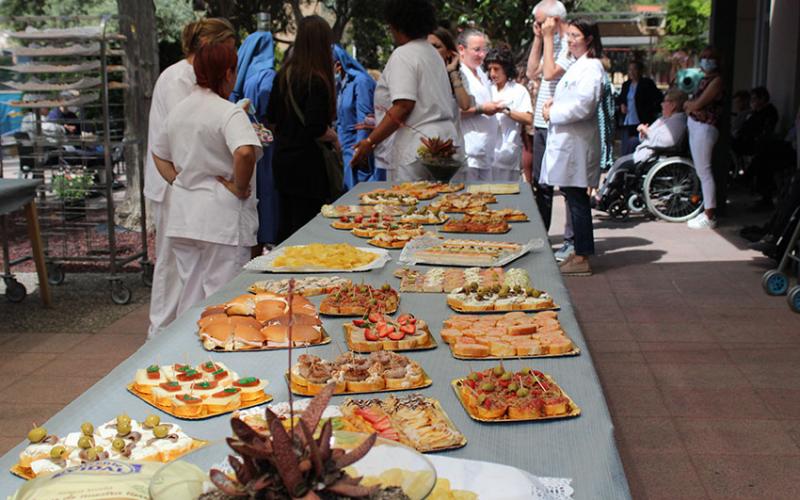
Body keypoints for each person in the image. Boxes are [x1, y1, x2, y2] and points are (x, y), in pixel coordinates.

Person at [151, 42, 262, 316]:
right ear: (228, 73)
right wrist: (238, 186)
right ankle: (219, 354)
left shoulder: (180, 110)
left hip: (185, 216)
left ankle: (187, 354)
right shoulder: (228, 111)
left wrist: (178, 181)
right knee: (224, 300)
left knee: (190, 297)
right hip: (221, 219)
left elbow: (158, 153)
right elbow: (245, 152)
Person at [144, 18, 235, 339]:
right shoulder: (176, 79)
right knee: (171, 273)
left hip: (190, 185)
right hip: (175, 184)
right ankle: (158, 338)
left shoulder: (192, 77)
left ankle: (187, 334)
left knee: (192, 273)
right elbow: (182, 138)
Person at [350, 0, 460, 181]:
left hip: (418, 146)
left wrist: (370, 142)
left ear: (396, 25)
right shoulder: (433, 54)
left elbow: (403, 105)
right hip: (444, 140)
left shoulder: (403, 54)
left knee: (411, 205)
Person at [541, 17, 606, 276]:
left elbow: (583, 105)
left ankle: (582, 256)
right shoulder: (579, 66)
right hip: (568, 143)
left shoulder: (592, 67)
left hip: (576, 145)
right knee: (573, 197)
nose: (570, 40)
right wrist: (552, 106)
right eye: (568, 35)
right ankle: (579, 253)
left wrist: (552, 112)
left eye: (575, 35)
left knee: (578, 200)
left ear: (589, 39)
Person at [268, 16, 339, 240]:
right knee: (309, 228)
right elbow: (315, 127)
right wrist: (334, 137)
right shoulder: (316, 80)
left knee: (287, 223)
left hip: (283, 159)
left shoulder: (283, 75)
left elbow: (271, 116)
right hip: (308, 166)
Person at [525, 0, 572, 236]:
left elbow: (551, 72)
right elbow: (532, 72)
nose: (539, 26)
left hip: (560, 123)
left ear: (555, 20)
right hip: (542, 123)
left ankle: (571, 238)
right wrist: (538, 39)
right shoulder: (549, 41)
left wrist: (547, 38)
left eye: (541, 22)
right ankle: (542, 234)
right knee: (540, 183)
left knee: (566, 184)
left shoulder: (569, 44)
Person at [230, 28, 280, 248]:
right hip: (265, 144)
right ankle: (266, 236)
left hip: (245, 141)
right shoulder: (267, 76)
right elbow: (269, 109)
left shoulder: (243, 77)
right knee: (266, 193)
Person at [332, 45, 384, 189]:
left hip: (356, 151)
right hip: (343, 151)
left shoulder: (360, 82)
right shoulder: (340, 85)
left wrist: (360, 151)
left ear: (338, 65)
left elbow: (366, 119)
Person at [684, 46, 724, 229]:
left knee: (705, 172)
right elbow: (687, 102)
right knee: (702, 172)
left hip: (705, 128)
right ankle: (706, 208)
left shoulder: (716, 81)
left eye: (710, 57)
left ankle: (710, 214)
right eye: (704, 57)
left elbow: (698, 103)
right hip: (695, 125)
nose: (706, 60)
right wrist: (690, 105)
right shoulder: (701, 78)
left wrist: (691, 105)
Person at [458, 28, 504, 181]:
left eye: (483, 50)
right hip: (469, 151)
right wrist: (482, 109)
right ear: (461, 49)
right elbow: (454, 109)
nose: (482, 55)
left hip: (486, 150)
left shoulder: (481, 73)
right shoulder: (458, 75)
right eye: (477, 50)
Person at [484, 47, 533, 181]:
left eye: (496, 69)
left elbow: (528, 118)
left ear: (506, 69)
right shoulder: (486, 89)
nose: (493, 74)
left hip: (508, 154)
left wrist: (506, 110)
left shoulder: (518, 90)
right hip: (487, 153)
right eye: (490, 69)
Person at [616, 60, 663, 155]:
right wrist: (622, 104)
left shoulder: (647, 83)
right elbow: (621, 98)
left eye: (634, 69)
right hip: (628, 120)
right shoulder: (626, 85)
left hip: (641, 120)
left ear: (640, 71)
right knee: (626, 146)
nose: (632, 72)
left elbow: (657, 98)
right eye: (630, 70)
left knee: (638, 145)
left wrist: (650, 111)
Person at [428, 27, 473, 112]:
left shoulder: (458, 75)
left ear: (449, 52)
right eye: (427, 47)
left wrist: (453, 72)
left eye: (436, 47)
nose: (431, 51)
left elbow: (465, 105)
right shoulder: (416, 72)